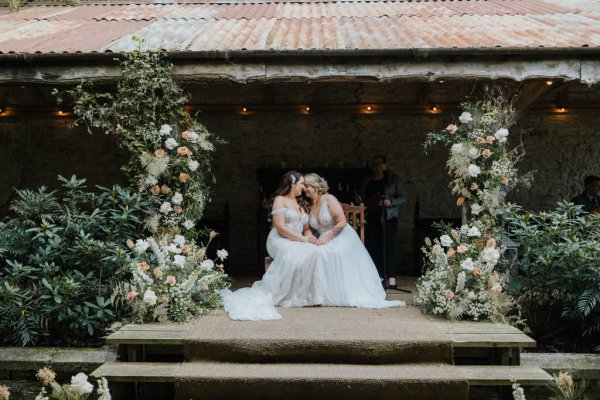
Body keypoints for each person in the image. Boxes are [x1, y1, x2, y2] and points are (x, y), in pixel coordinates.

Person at [221, 171, 323, 320]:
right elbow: (280, 228)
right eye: (301, 183)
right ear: (292, 183)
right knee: (293, 253)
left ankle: (303, 295)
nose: (303, 187)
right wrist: (302, 239)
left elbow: (306, 229)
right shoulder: (279, 200)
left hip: (298, 240)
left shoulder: (301, 203)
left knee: (315, 251)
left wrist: (310, 238)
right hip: (279, 240)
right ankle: (283, 293)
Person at [304, 173, 405, 309]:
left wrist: (327, 238)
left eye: (307, 185)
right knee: (312, 252)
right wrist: (312, 238)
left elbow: (342, 222)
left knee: (330, 253)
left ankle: (338, 292)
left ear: (316, 186)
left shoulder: (328, 199)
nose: (304, 188)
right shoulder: (308, 204)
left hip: (340, 235)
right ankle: (318, 293)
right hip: (322, 237)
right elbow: (307, 228)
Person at [359, 155, 407, 290]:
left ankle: (391, 278)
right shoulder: (368, 180)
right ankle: (379, 276)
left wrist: (390, 202)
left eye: (380, 163)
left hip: (388, 217)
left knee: (388, 246)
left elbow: (403, 198)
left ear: (386, 164)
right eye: (374, 164)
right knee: (374, 247)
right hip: (371, 218)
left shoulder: (393, 179)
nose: (377, 166)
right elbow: (362, 196)